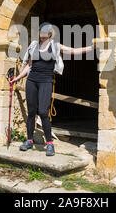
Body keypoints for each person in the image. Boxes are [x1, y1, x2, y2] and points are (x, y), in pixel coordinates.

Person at [9, 22, 94, 156]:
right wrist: (17, 78)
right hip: (32, 81)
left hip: (46, 81)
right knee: (31, 112)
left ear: (50, 33)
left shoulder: (55, 46)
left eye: (45, 32)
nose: (42, 34)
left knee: (43, 112)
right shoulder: (34, 45)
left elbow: (72, 51)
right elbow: (28, 65)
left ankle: (49, 143)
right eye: (41, 31)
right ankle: (29, 140)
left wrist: (92, 47)